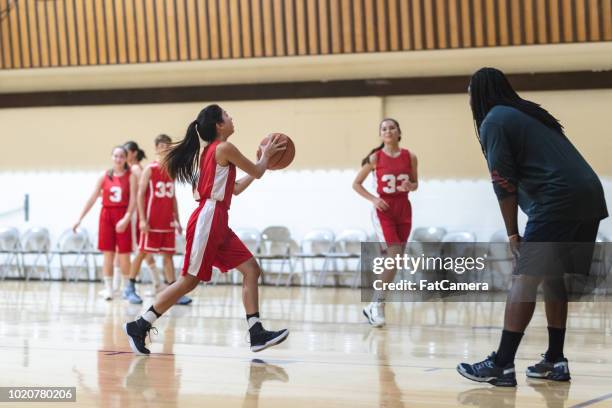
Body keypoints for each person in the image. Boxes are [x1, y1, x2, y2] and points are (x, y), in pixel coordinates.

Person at [457, 67, 608, 387]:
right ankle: (555, 360)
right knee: (553, 278)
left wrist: (513, 233)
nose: (468, 97)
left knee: (524, 279)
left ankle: (502, 364)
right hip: (589, 197)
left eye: (469, 90)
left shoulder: (494, 120)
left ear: (480, 93)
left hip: (558, 200)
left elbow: (503, 183)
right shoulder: (527, 113)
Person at [124, 104, 289, 355]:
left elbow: (235, 188)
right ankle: (140, 325)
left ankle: (256, 332)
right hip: (208, 219)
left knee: (251, 269)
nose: (231, 117)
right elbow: (256, 171)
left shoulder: (211, 152)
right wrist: (265, 157)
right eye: (226, 115)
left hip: (218, 219)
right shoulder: (223, 148)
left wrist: (261, 163)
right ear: (219, 125)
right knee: (188, 281)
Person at [352, 118, 418, 327]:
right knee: (394, 254)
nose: (388, 131)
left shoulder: (411, 156)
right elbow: (356, 184)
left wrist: (411, 185)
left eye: (391, 127)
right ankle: (378, 304)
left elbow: (416, 184)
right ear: (381, 135)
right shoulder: (375, 157)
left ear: (399, 132)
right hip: (384, 209)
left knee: (397, 259)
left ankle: (373, 304)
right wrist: (373, 199)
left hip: (404, 208)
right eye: (384, 128)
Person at [123, 135, 191, 306]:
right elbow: (140, 195)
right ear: (156, 148)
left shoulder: (172, 169)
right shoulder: (150, 169)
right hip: (151, 221)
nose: (165, 148)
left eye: (168, 145)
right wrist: (142, 220)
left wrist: (178, 219)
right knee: (143, 252)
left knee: (168, 256)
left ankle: (173, 292)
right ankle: (129, 287)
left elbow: (173, 196)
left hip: (166, 221)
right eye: (162, 145)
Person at [73, 146, 137, 300]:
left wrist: (127, 218)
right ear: (112, 157)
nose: (118, 159)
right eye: (115, 156)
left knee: (124, 255)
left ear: (125, 158)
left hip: (122, 215)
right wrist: (79, 218)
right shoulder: (104, 176)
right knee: (108, 254)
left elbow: (134, 199)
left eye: (121, 156)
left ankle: (126, 288)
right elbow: (93, 197)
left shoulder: (131, 176)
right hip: (106, 215)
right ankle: (109, 289)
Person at [124, 140, 165, 295]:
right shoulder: (135, 168)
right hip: (139, 213)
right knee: (143, 251)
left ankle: (128, 285)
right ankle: (158, 283)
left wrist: (138, 216)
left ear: (133, 153)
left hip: (138, 214)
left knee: (140, 250)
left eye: (126, 152)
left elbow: (145, 189)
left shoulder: (135, 168)